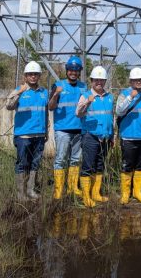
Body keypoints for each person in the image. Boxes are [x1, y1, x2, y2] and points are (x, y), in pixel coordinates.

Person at [6, 61, 49, 201]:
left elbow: (46, 112)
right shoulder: (19, 90)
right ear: (25, 76)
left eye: (35, 74)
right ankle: (20, 193)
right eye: (30, 74)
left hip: (39, 134)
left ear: (39, 76)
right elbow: (9, 105)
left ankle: (30, 191)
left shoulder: (44, 93)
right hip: (23, 134)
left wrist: (46, 132)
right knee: (22, 163)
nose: (33, 77)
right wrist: (19, 92)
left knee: (35, 163)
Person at [48, 56, 87, 200]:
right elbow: (50, 107)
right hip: (63, 130)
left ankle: (72, 187)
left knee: (76, 159)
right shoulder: (58, 85)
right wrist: (56, 95)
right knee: (60, 160)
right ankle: (58, 190)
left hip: (79, 129)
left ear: (79, 72)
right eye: (71, 70)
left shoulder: (84, 87)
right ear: (67, 70)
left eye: (76, 70)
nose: (73, 73)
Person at [76, 66, 114, 208]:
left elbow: (111, 117)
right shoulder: (86, 96)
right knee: (87, 166)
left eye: (101, 80)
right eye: (96, 80)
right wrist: (87, 102)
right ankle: (86, 197)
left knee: (100, 166)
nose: (99, 82)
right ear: (91, 80)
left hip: (105, 137)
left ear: (104, 81)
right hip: (90, 136)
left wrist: (112, 135)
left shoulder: (109, 96)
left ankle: (96, 193)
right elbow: (78, 113)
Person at [116, 67, 141, 204]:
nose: (138, 82)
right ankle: (125, 194)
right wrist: (130, 97)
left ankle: (137, 192)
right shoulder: (124, 94)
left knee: (140, 166)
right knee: (127, 165)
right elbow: (119, 111)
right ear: (131, 81)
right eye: (135, 80)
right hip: (129, 137)